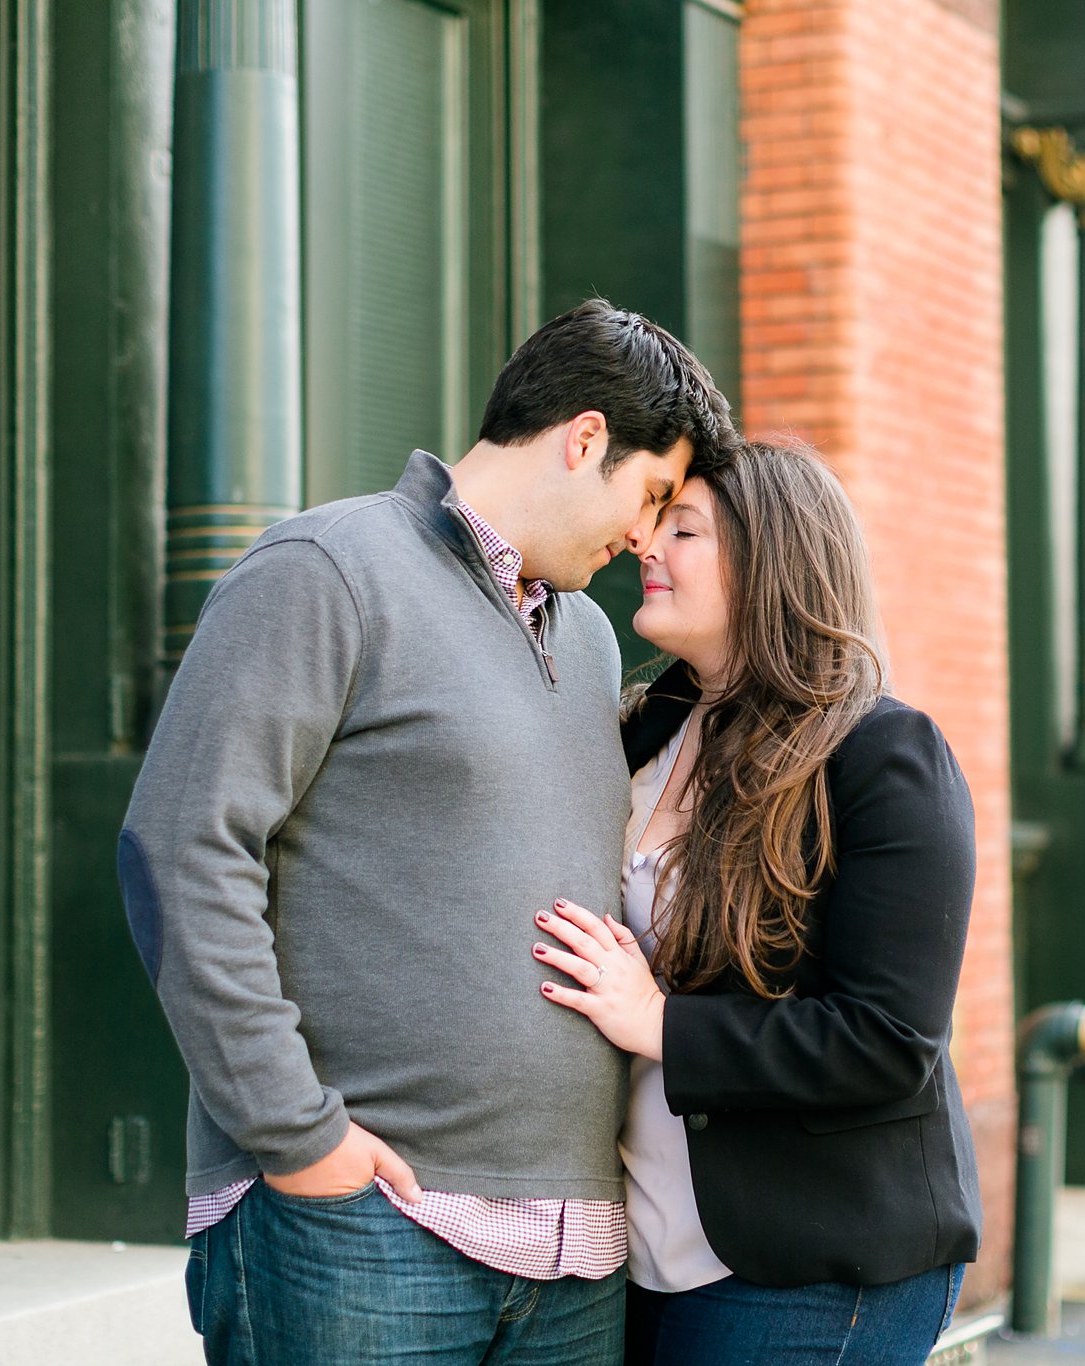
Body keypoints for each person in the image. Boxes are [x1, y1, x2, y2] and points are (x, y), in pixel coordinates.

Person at [118, 299, 735, 1365]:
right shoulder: (327, 570)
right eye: (646, 496)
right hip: (363, 1231)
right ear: (583, 438)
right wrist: (294, 1134)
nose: (644, 535)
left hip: (573, 1255)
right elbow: (183, 846)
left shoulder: (588, 638)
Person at [528, 439, 983, 1365]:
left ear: (772, 558)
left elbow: (889, 1040)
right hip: (643, 1248)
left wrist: (660, 1023)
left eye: (683, 529)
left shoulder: (884, 756)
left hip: (812, 1262)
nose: (646, 545)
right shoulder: (638, 728)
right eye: (655, 523)